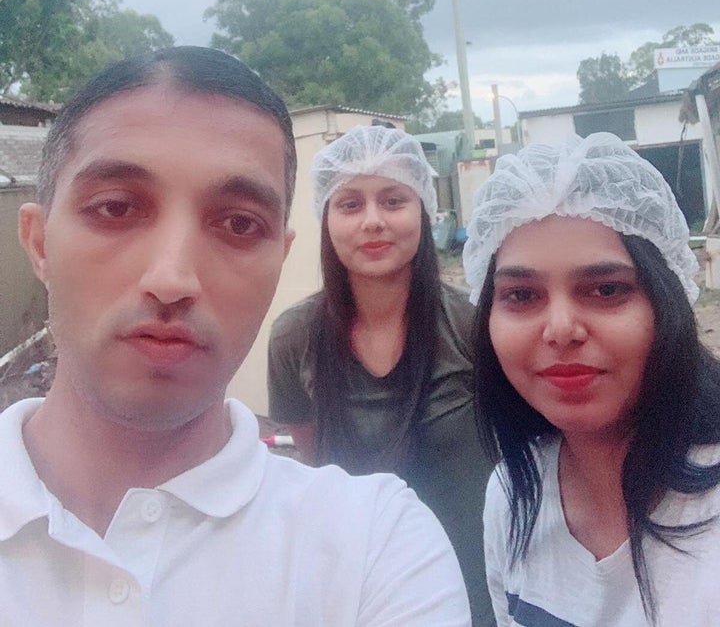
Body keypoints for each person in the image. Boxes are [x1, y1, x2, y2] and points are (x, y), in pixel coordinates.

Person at [6, 46, 472, 625]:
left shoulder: (375, 553)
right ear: (39, 241)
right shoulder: (300, 335)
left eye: (237, 224)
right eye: (117, 207)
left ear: (280, 256)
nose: (172, 279)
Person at [463, 132, 720, 626]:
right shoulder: (513, 497)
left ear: (668, 299)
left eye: (606, 289)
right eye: (521, 296)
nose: (561, 330)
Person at [268, 125, 496, 626]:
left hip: (476, 588)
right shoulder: (293, 338)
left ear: (425, 211)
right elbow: (312, 463)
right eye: (350, 205)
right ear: (325, 219)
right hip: (357, 592)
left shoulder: (474, 325)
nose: (373, 221)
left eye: (393, 200)